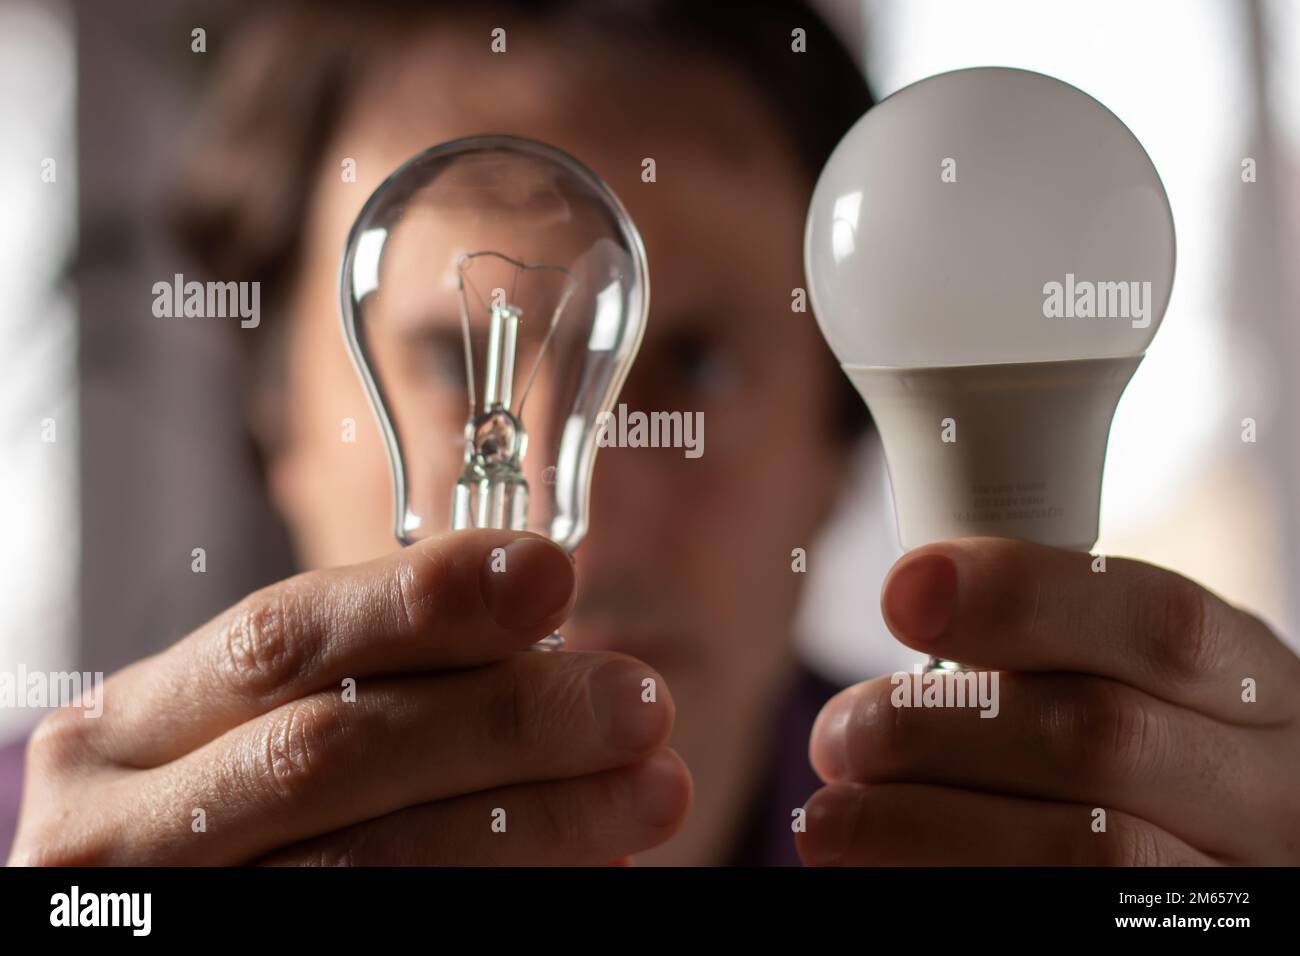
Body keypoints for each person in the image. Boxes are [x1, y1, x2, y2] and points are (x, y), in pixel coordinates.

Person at [4, 0, 1299, 866]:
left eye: (699, 362)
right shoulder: (52, 850)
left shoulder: (1040, 838)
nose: (599, 504)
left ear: (835, 443)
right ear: (276, 408)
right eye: (468, 357)